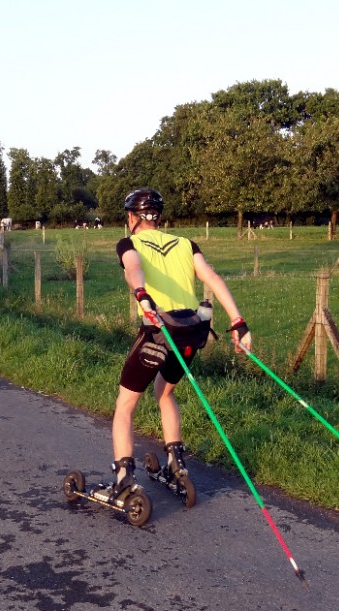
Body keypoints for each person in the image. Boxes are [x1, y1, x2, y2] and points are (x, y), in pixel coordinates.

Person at [102, 187, 252, 497]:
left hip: (158, 332)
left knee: (125, 405)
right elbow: (212, 278)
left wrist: (141, 294)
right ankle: (176, 464)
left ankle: (123, 479)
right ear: (157, 217)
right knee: (165, 393)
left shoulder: (129, 243)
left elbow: (133, 267)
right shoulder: (186, 244)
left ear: (131, 217)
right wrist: (238, 322)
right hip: (191, 333)